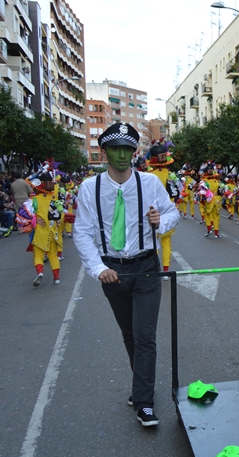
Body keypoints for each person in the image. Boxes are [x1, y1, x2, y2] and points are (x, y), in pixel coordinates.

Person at [73, 122, 180, 426]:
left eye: (127, 149)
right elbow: (81, 232)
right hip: (113, 271)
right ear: (104, 152)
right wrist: (99, 268)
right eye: (115, 149)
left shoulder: (149, 183)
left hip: (146, 267)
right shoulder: (89, 188)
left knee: (145, 336)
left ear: (135, 153)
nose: (122, 155)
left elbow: (172, 213)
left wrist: (162, 221)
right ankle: (140, 387)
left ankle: (144, 403)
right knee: (130, 334)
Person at [24, 164, 64, 286]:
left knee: (38, 255)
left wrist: (34, 221)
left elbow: (22, 216)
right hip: (53, 233)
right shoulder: (54, 201)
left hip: (40, 233)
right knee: (53, 256)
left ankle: (40, 272)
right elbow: (60, 216)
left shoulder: (33, 201)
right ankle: (56, 278)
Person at [147, 141, 178, 279]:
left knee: (153, 243)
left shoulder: (148, 176)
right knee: (166, 243)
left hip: (151, 212)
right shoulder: (171, 175)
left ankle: (156, 270)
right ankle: (165, 271)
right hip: (167, 210)